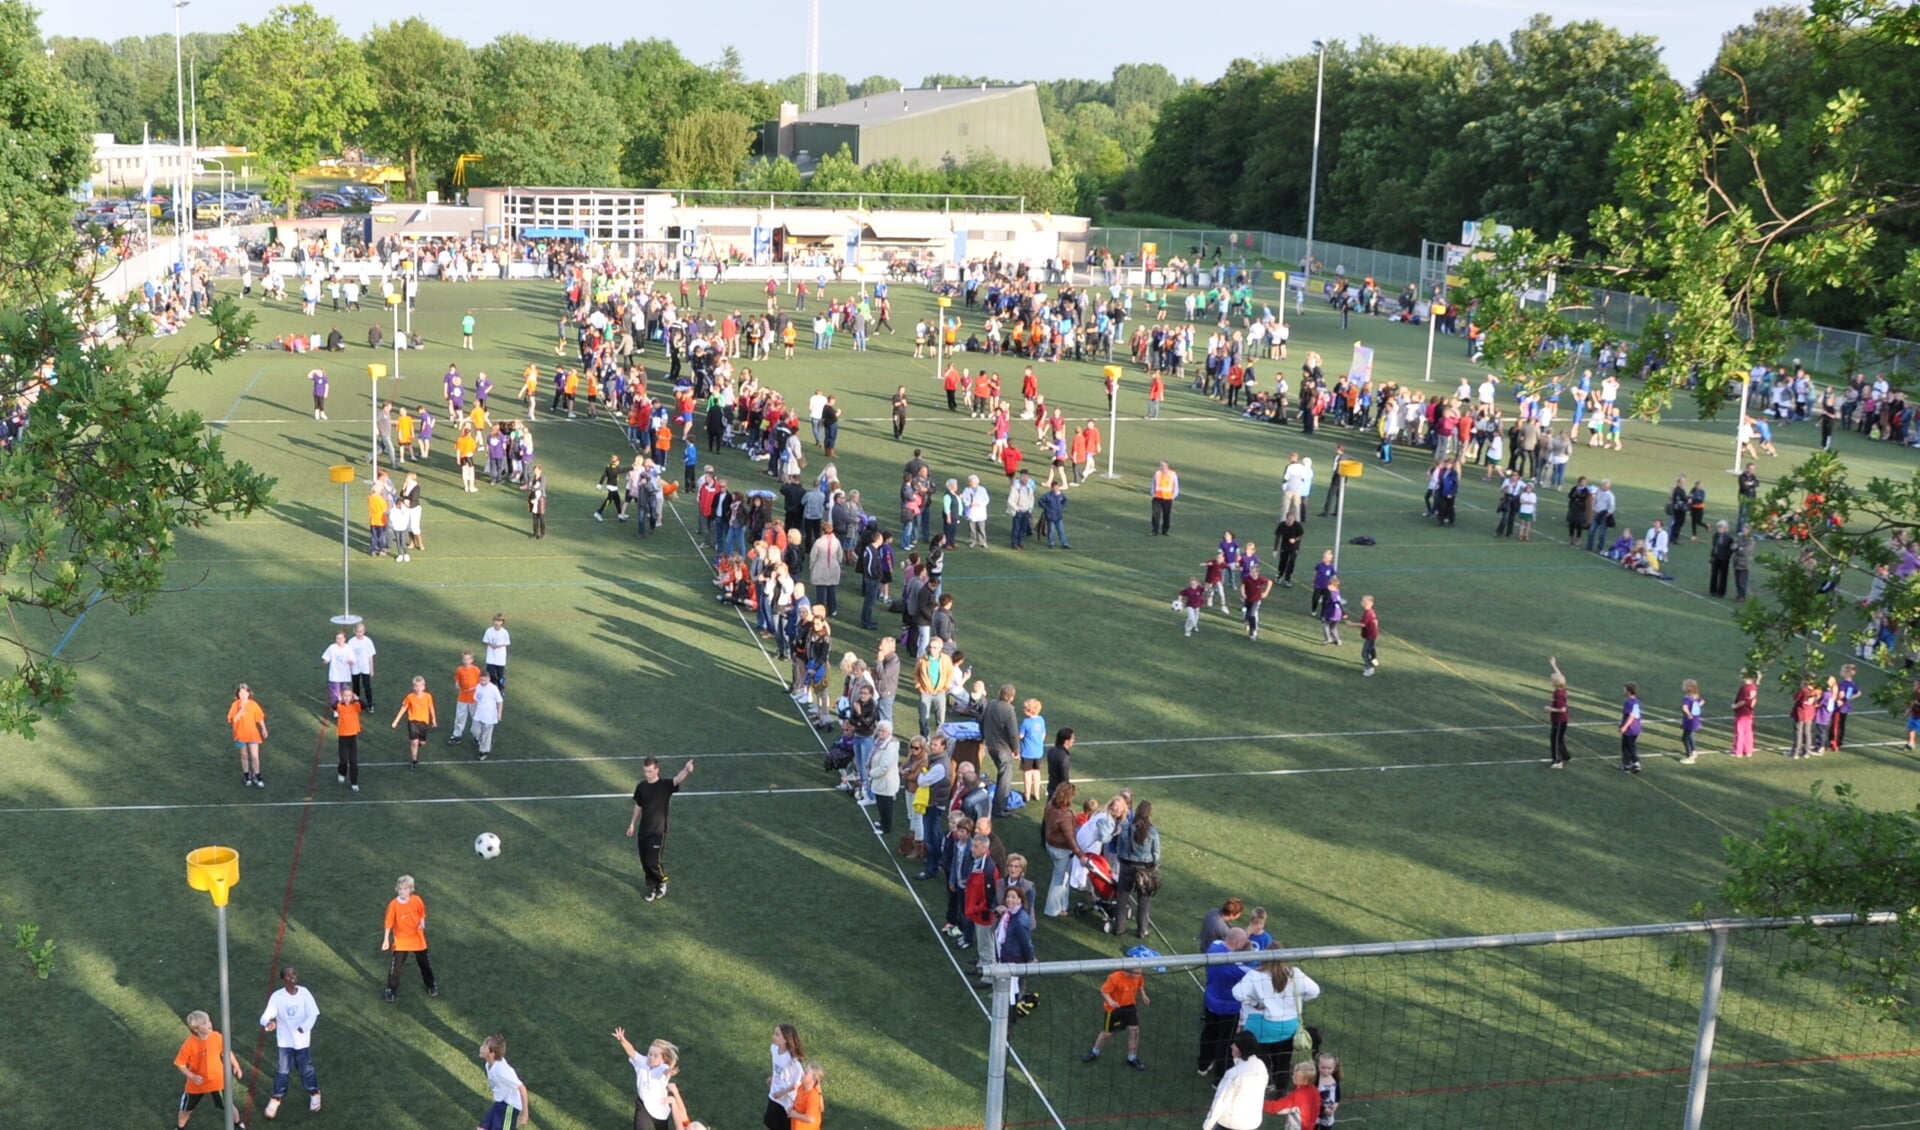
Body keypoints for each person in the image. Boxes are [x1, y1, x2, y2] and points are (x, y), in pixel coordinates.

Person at [1233, 955, 1321, 1082]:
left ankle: (1264, 1083)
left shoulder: (1255, 975)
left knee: (1259, 1061)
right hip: (1288, 1028)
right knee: (1283, 1062)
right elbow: (1315, 990)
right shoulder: (1295, 973)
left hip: (1262, 1029)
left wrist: (1255, 1003)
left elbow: (1237, 993)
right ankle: (1281, 1090)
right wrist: (1298, 999)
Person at [627, 757, 696, 902]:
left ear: (657, 770)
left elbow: (677, 779)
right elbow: (638, 806)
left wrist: (686, 770)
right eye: (645, 771)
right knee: (645, 862)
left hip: (658, 831)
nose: (647, 774)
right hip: (643, 831)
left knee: (653, 861)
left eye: (650, 771)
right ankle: (651, 888)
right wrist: (632, 823)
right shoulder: (641, 787)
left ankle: (662, 881)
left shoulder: (665, 786)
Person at [259, 965, 322, 1118]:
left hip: (302, 1041)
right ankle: (276, 1098)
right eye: (288, 975)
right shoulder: (277, 997)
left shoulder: (305, 993)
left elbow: (313, 1013)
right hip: (284, 1041)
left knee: (305, 1069)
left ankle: (315, 1093)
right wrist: (268, 1024)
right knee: (282, 1070)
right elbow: (264, 1017)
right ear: (283, 979)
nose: (292, 976)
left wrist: (304, 1027)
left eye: (294, 973)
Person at [172, 1009, 245, 1130]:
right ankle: (179, 1128)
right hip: (196, 1084)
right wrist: (192, 1076)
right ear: (196, 1029)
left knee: (228, 1105)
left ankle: (238, 1124)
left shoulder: (216, 1037)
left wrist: (236, 1065)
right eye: (205, 1023)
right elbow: (180, 1064)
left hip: (217, 1081)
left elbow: (226, 1051)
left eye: (208, 1021)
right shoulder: (189, 1044)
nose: (209, 1024)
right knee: (186, 1110)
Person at [1198, 927, 1254, 1079]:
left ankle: (1203, 1064)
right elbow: (1254, 973)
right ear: (1237, 944)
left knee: (1209, 1033)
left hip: (1210, 1002)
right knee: (1225, 1041)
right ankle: (1219, 1077)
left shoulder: (1214, 946)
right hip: (1229, 1008)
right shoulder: (1239, 968)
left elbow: (1223, 942)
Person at [1081, 963, 1150, 1069]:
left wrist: (1144, 995)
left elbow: (1140, 985)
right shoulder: (1115, 977)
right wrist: (1111, 1001)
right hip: (1114, 1009)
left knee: (1134, 1030)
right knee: (1107, 1034)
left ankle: (1132, 1058)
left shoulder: (1138, 975)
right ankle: (1094, 1052)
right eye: (1138, 972)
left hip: (1130, 1006)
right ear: (1129, 972)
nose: (1141, 974)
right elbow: (1104, 990)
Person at [381, 874, 437, 1002]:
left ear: (411, 889)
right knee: (396, 967)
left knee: (425, 964)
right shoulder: (393, 905)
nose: (402, 891)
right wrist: (386, 939)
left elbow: (421, 912)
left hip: (417, 938)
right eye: (400, 888)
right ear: (397, 889)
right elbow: (388, 923)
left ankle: (431, 985)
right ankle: (390, 989)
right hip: (401, 940)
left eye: (405, 889)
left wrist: (422, 922)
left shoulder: (417, 900)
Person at [614, 1028, 682, 1130]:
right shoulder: (642, 1062)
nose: (651, 1057)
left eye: (655, 1056)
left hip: (659, 1108)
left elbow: (666, 1073)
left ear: (663, 1059)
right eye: (650, 1054)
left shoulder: (663, 1068)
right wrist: (622, 1040)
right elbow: (631, 1051)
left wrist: (670, 1072)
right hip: (643, 1105)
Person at [1202, 1032, 1269, 1130]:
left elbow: (1220, 1101)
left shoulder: (1233, 1074)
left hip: (1231, 1124)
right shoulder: (1261, 1065)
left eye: (1235, 1044)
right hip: (1252, 1123)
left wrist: (1207, 1126)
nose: (1231, 1046)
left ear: (1241, 1049)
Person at [1114, 800, 1161, 938]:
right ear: (1149, 814)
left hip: (1127, 866)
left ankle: (1119, 928)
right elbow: (1156, 852)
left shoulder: (1127, 827)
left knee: (1122, 898)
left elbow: (1119, 847)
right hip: (1145, 869)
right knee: (1144, 901)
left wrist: (1121, 859)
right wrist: (1156, 864)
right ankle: (1142, 930)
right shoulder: (1152, 831)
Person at [474, 1033, 529, 1130]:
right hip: (500, 1103)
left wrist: (525, 1113)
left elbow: (522, 1088)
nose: (481, 1048)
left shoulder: (502, 1071)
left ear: (492, 1054)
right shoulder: (488, 1064)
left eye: (484, 1047)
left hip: (510, 1106)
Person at [764, 1024, 806, 1130]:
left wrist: (782, 1092)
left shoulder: (792, 1060)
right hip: (775, 1092)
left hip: (787, 1099)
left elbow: (797, 1083)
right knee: (769, 1120)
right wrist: (773, 1077)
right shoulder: (773, 1048)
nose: (773, 1036)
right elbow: (777, 1068)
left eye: (777, 1035)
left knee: (783, 1126)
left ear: (785, 1040)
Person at [390, 676, 437, 769]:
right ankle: (414, 761)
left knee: (422, 742)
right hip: (413, 721)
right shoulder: (409, 697)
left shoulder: (428, 696)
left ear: (424, 687)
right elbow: (404, 708)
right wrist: (396, 720)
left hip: (424, 722)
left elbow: (431, 708)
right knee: (414, 742)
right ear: (413, 687)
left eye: (420, 686)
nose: (418, 688)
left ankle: (420, 742)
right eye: (416, 686)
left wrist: (434, 720)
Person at [228, 682, 269, 788]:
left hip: (253, 735)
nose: (243, 696)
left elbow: (259, 717)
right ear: (238, 694)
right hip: (239, 736)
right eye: (240, 693)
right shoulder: (235, 705)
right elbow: (234, 720)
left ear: (248, 693)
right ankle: (247, 776)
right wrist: (241, 709)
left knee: (255, 756)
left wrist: (264, 729)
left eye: (244, 693)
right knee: (244, 755)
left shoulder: (253, 704)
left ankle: (257, 776)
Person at [1264, 1062, 1324, 1130]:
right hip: (1310, 1127)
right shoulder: (1315, 1091)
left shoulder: (1297, 1095)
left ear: (1305, 1080)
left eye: (1295, 1077)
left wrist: (1260, 1103)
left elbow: (1276, 1107)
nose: (1292, 1077)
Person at [449, 651, 482, 744]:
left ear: (472, 660)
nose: (466, 661)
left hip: (473, 698)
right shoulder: (460, 670)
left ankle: (477, 736)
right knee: (460, 716)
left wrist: (473, 688)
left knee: (475, 717)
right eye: (464, 659)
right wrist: (457, 686)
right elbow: (457, 682)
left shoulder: (476, 670)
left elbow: (480, 683)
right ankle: (457, 735)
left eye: (468, 659)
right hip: (462, 697)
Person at [334, 688, 363, 791]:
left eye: (349, 696)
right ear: (342, 696)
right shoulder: (340, 706)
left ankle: (354, 783)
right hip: (342, 736)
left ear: (352, 696)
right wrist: (338, 699)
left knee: (353, 761)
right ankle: (342, 773)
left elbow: (364, 705)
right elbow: (333, 706)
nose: (347, 698)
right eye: (345, 696)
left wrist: (357, 698)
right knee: (343, 760)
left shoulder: (355, 706)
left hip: (352, 737)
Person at [470, 672, 504, 761]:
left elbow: (500, 701)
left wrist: (499, 713)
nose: (483, 682)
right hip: (479, 714)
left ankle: (483, 751)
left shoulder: (493, 689)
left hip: (489, 716)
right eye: (481, 680)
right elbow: (476, 699)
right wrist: (474, 711)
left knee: (486, 734)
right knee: (474, 731)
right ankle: (485, 742)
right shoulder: (478, 687)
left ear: (489, 679)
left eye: (485, 680)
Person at [1546, 657, 1571, 768]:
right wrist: (1554, 665)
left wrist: (1550, 709)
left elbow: (1562, 709)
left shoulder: (1559, 694)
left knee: (1555, 739)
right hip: (1562, 720)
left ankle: (1557, 761)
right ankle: (1566, 756)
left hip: (1559, 720)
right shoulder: (1562, 689)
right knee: (1560, 738)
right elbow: (1560, 676)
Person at [348, 622, 377, 710]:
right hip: (355, 667)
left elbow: (370, 656)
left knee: (367, 685)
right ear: (354, 631)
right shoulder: (351, 642)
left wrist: (371, 669)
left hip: (365, 667)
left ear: (364, 631)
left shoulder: (368, 641)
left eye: (361, 631)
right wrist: (349, 668)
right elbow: (349, 656)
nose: (359, 633)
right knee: (356, 686)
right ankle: (357, 704)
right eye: (358, 632)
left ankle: (370, 704)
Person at [1241, 563, 1273, 642]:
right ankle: (1246, 622)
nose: (1252, 573)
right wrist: (1243, 593)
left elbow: (1270, 582)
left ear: (1257, 572)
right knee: (1245, 612)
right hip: (1248, 599)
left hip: (1256, 600)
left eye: (1254, 572)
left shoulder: (1260, 579)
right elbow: (1242, 586)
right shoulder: (1246, 578)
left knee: (1252, 614)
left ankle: (1253, 631)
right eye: (1251, 572)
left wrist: (1266, 592)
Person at [789, 1062, 824, 1130]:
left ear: (813, 1080)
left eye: (806, 1073)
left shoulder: (813, 1097)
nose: (802, 1074)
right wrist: (793, 1107)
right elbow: (798, 1102)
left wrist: (795, 1115)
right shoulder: (801, 1087)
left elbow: (811, 1119)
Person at [483, 613, 512, 694]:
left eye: (499, 621)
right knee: (491, 674)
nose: (497, 623)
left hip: (500, 658)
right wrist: (491, 644)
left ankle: (501, 689)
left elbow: (507, 642)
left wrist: (499, 646)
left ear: (502, 622)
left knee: (500, 675)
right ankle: (492, 688)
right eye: (496, 620)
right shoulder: (489, 630)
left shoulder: (504, 632)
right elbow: (486, 640)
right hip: (491, 658)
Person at [1732, 672, 1759, 758]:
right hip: (1749, 712)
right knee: (1748, 732)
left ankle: (1738, 751)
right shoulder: (1753, 687)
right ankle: (1748, 751)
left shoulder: (1745, 688)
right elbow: (1753, 701)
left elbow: (1742, 701)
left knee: (1739, 732)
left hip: (1742, 713)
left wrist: (1735, 706)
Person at [1149, 461, 1179, 535]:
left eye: (1162, 466)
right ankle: (1154, 530)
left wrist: (1174, 496)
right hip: (1157, 497)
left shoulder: (1172, 474)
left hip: (1168, 498)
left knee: (1166, 515)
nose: (1160, 467)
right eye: (1160, 466)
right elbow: (1153, 483)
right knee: (1156, 514)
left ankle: (1165, 530)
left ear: (1167, 467)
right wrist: (1153, 493)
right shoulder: (1157, 473)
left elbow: (1176, 485)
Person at [1619, 681, 1643, 773]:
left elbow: (1631, 716)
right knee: (1628, 746)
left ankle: (1634, 763)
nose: (1623, 690)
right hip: (1636, 728)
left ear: (1629, 691)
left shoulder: (1629, 703)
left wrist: (1624, 726)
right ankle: (1628, 764)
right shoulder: (1637, 702)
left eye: (1625, 689)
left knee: (1628, 747)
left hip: (1630, 729)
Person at [1358, 594, 1380, 676]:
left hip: (1370, 636)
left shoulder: (1368, 613)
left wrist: (1351, 624)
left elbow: (1363, 624)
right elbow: (1376, 621)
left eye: (1363, 601)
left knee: (1364, 653)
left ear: (1368, 603)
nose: (1361, 602)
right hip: (1373, 634)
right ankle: (1374, 660)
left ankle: (1370, 668)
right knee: (1371, 648)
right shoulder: (1371, 611)